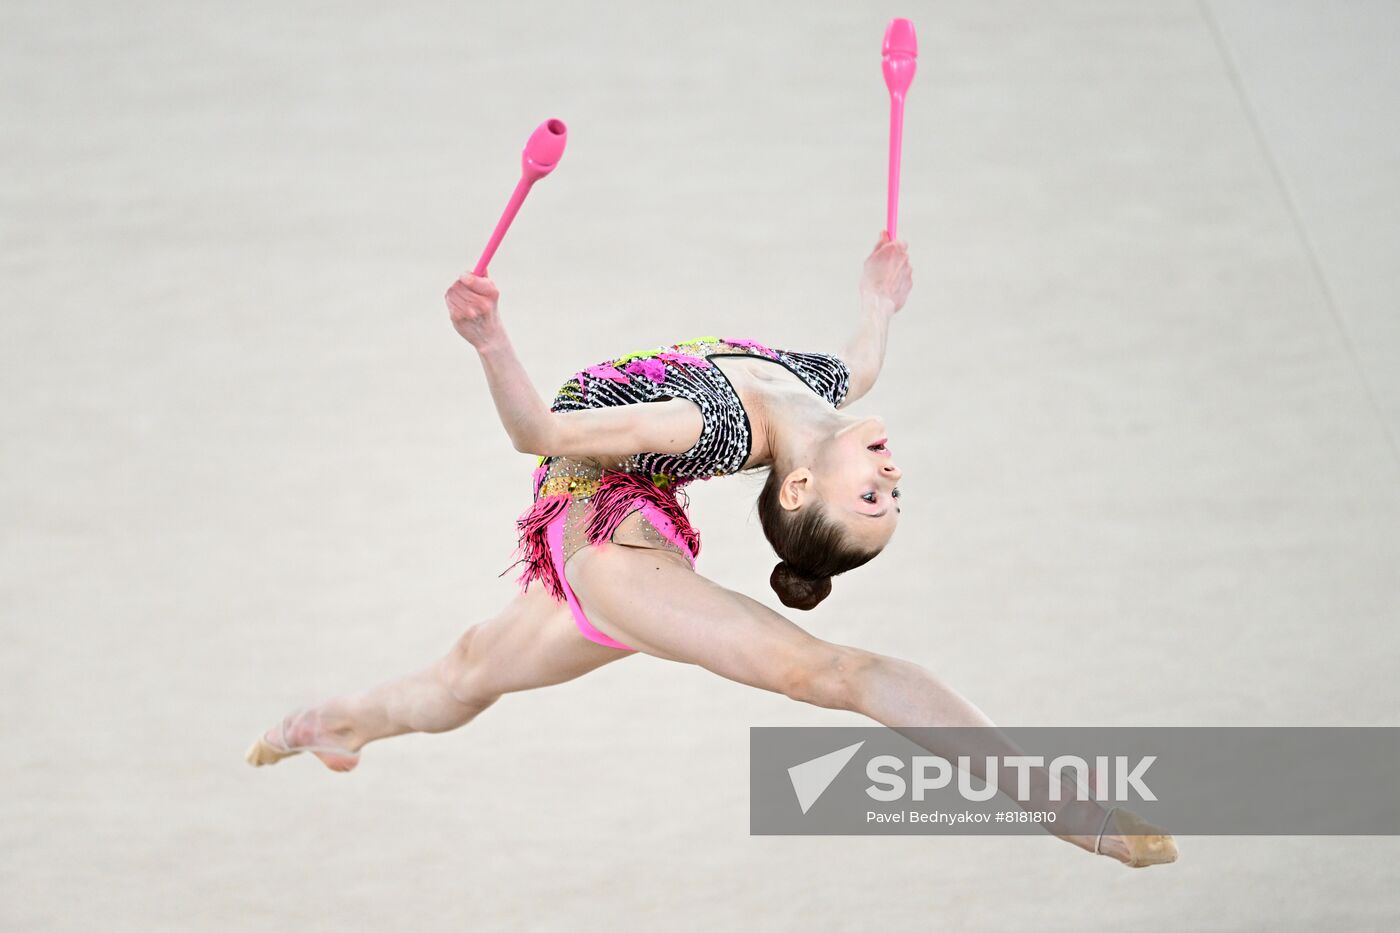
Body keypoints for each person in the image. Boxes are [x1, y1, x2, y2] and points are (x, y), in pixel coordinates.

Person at [246, 232, 1176, 869]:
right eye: (892, 495)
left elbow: (537, 431)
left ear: (798, 489)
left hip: (612, 548)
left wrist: (489, 338)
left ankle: (1059, 806)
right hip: (598, 545)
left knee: (833, 672)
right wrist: (880, 299)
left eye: (873, 500)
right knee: (463, 673)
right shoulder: (820, 389)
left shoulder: (712, 423)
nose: (891, 478)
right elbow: (860, 365)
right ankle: (338, 722)